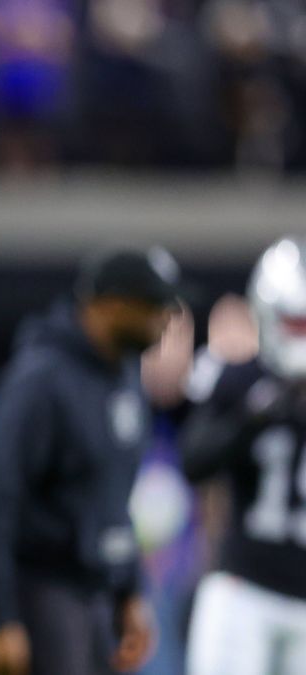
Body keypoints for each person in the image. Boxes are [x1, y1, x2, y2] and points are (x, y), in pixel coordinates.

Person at [0, 247, 171, 675]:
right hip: (43, 591)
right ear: (112, 305)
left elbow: (111, 496)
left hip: (99, 595)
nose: (167, 317)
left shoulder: (126, 375)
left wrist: (130, 589)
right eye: (154, 305)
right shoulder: (40, 379)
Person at [180, 236, 306, 675]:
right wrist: (254, 416)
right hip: (244, 588)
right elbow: (194, 461)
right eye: (296, 324)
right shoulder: (241, 378)